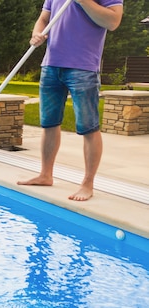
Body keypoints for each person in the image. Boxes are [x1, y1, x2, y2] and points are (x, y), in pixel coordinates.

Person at [17, 0, 124, 201]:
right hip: (51, 64)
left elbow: (113, 21)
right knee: (49, 123)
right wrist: (36, 34)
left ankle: (87, 184)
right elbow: (43, 19)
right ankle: (45, 175)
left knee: (88, 127)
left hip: (83, 66)